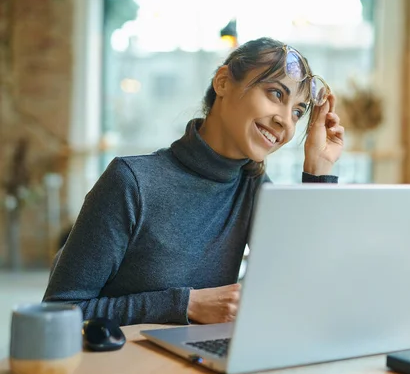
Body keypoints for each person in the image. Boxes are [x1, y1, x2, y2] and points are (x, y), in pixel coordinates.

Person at [43, 37, 345, 326]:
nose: (285, 121)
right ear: (223, 82)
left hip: (202, 368)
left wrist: (319, 170)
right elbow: (59, 310)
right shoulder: (130, 181)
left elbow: (305, 285)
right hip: (124, 368)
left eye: (298, 112)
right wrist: (186, 305)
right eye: (276, 94)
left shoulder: (252, 186)